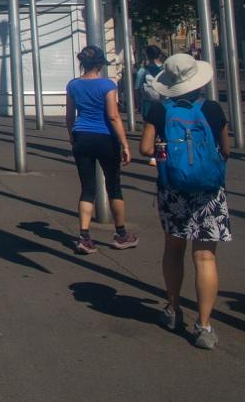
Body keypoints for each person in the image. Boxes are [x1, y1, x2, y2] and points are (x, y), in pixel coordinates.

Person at [139, 53, 230, 350]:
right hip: (209, 191)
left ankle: (173, 309)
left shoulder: (159, 111)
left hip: (173, 188)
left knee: (173, 249)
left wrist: (168, 156)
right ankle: (204, 325)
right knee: (205, 257)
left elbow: (146, 148)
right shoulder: (213, 110)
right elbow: (225, 149)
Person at [65, 45, 137, 255]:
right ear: (99, 64)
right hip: (105, 136)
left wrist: (71, 134)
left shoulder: (73, 85)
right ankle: (121, 234)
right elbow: (113, 116)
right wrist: (124, 143)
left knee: (87, 188)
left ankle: (84, 236)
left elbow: (70, 116)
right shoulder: (108, 85)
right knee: (113, 186)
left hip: (81, 136)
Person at [134, 45, 166, 120]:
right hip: (164, 105)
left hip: (148, 107)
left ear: (147, 55)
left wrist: (138, 105)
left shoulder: (142, 71)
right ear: (160, 55)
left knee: (148, 128)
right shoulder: (166, 70)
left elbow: (137, 89)